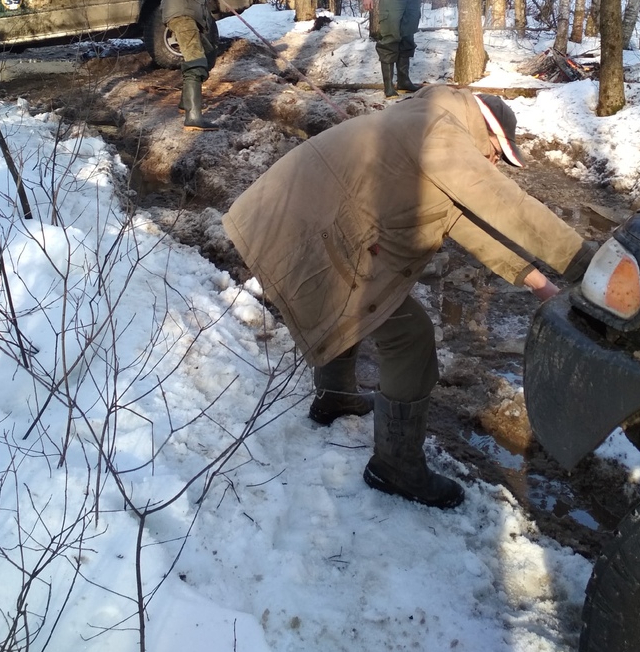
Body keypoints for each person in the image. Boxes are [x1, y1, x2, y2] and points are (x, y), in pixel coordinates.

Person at [222, 85, 595, 511]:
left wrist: (539, 283)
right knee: (409, 335)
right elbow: (509, 206)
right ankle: (395, 467)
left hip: (299, 219)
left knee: (356, 302)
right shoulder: (441, 131)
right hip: (304, 230)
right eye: (496, 155)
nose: (494, 165)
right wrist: (589, 266)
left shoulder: (429, 120)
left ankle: (334, 396)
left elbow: (461, 220)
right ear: (487, 130)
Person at [161, 0, 218, 129]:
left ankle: (186, 102)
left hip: (188, 13)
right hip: (182, 13)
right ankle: (193, 117)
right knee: (195, 60)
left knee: (208, 54)